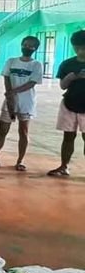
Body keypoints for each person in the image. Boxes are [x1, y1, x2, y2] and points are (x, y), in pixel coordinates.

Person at [0, 36, 43, 171]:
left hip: (26, 103)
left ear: (35, 49)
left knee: (23, 132)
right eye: (25, 45)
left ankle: (20, 161)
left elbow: (32, 83)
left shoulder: (36, 65)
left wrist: (13, 92)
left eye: (31, 46)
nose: (27, 47)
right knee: (2, 131)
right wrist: (10, 97)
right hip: (9, 101)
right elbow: (7, 78)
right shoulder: (11, 61)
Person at [48, 30, 85, 177]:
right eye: (76, 47)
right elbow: (63, 85)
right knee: (68, 136)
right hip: (69, 104)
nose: (80, 50)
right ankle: (64, 166)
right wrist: (73, 77)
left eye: (82, 46)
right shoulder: (67, 64)